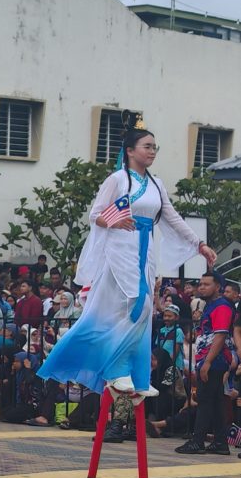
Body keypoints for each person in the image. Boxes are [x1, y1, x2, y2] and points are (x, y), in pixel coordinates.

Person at [38, 116, 214, 401]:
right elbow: (95, 214)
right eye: (146, 146)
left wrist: (200, 244)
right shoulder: (118, 179)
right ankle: (117, 370)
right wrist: (115, 221)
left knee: (143, 311)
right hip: (120, 248)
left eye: (155, 147)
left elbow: (171, 218)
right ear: (130, 151)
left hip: (145, 251)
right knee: (138, 305)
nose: (152, 151)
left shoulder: (157, 184)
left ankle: (136, 376)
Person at [176, 272, 236, 455]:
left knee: (204, 400)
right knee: (216, 401)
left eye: (206, 284)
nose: (201, 287)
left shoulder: (222, 306)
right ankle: (220, 442)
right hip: (209, 360)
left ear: (217, 287)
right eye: (200, 284)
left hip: (215, 361)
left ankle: (198, 441)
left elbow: (220, 335)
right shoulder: (211, 306)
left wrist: (207, 362)